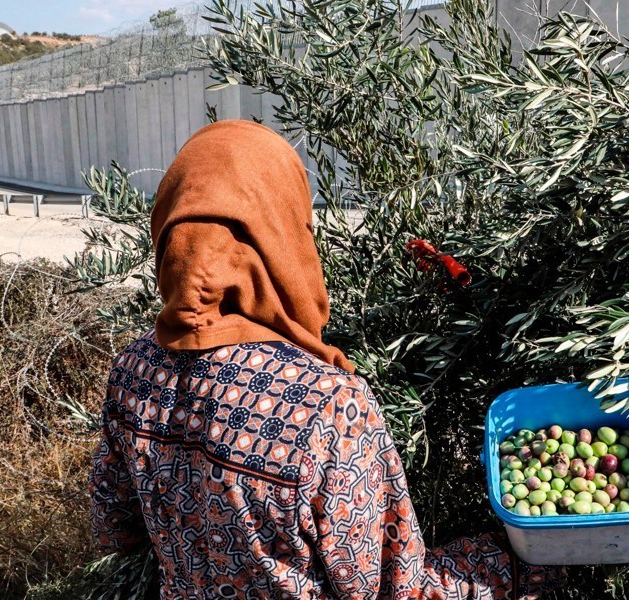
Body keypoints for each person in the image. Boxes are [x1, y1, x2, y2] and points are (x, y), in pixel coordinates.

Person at [89, 120, 563, 598]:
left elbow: (115, 526)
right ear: (281, 234)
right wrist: (523, 561)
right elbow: (386, 588)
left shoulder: (133, 369)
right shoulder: (327, 403)